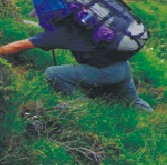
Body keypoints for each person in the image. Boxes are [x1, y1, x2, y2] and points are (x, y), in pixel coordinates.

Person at [0, 17, 153, 112]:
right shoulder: (90, 21)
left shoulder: (61, 33)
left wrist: (2, 50)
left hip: (107, 72)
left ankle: (84, 107)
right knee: (134, 102)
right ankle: (152, 118)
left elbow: (21, 44)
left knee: (53, 73)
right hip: (123, 66)